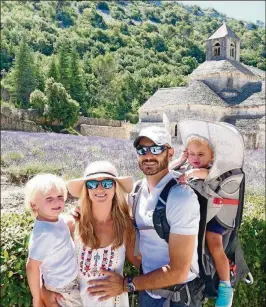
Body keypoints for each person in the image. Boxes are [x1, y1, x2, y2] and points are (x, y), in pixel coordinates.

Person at [86, 126, 202, 307]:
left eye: (156, 149)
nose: (148, 155)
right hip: (148, 292)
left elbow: (179, 271)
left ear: (170, 153)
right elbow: (109, 210)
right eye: (142, 150)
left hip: (178, 297)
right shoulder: (137, 191)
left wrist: (126, 284)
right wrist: (77, 215)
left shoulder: (181, 197)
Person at [42, 161, 140, 307]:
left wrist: (126, 284)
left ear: (115, 188)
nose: (99, 188)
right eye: (92, 184)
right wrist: (44, 292)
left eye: (107, 183)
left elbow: (142, 264)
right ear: (86, 189)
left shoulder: (126, 227)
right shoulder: (71, 224)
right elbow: (41, 263)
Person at [170, 135, 234, 307]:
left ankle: (226, 288)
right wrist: (180, 160)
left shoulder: (213, 170)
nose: (195, 158)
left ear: (211, 156)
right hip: (201, 215)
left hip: (216, 216)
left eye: (200, 154)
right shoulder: (188, 165)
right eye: (191, 154)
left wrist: (190, 173)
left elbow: (203, 174)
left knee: (214, 243)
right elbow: (167, 171)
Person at [25, 174, 82, 307]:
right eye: (49, 198)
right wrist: (37, 300)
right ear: (34, 205)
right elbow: (32, 267)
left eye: (60, 196)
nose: (56, 202)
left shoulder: (54, 219)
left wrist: (76, 213)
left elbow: (66, 221)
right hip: (63, 287)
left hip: (66, 282)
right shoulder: (45, 233)